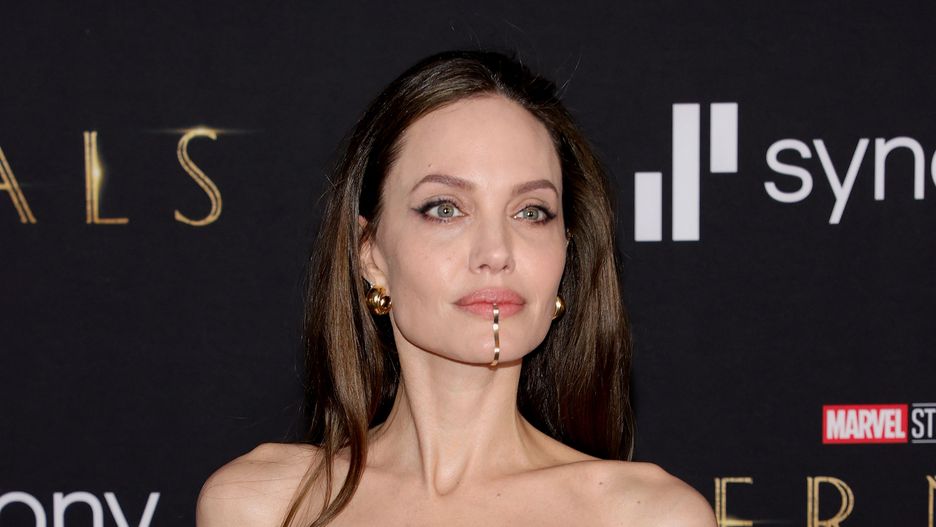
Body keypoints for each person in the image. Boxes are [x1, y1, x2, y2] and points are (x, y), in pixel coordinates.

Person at [196, 50, 715, 527]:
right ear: (370, 253)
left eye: (531, 212)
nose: (496, 251)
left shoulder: (647, 516)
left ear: (565, 253)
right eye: (445, 208)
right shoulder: (262, 505)